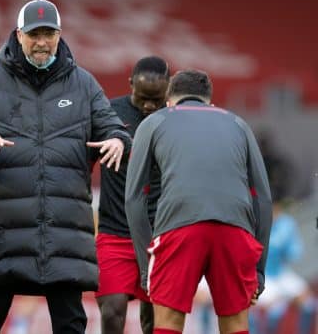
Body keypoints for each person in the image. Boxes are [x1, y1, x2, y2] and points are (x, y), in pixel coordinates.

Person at [0, 0, 131, 334]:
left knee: (71, 323)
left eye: (49, 33)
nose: (42, 42)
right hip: (3, 228)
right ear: (18, 35)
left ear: (60, 34)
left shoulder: (83, 83)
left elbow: (113, 127)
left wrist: (118, 141)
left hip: (64, 230)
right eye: (34, 34)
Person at [125, 69, 272, 334]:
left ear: (169, 101)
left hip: (179, 227)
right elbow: (263, 198)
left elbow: (135, 198)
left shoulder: (155, 122)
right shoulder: (238, 123)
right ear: (210, 102)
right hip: (235, 228)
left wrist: (147, 269)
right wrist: (259, 272)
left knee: (168, 322)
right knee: (236, 324)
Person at [96, 56, 170, 334]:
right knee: (112, 312)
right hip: (114, 233)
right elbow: (83, 164)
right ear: (130, 85)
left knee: (153, 319)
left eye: (156, 99)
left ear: (169, 87)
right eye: (142, 99)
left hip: (159, 236)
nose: (149, 106)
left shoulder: (175, 119)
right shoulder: (108, 114)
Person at [250, 199, 315, 334]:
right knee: (272, 310)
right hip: (261, 274)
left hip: (281, 272)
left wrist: (287, 247)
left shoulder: (287, 224)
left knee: (308, 303)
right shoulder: (254, 224)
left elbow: (295, 253)